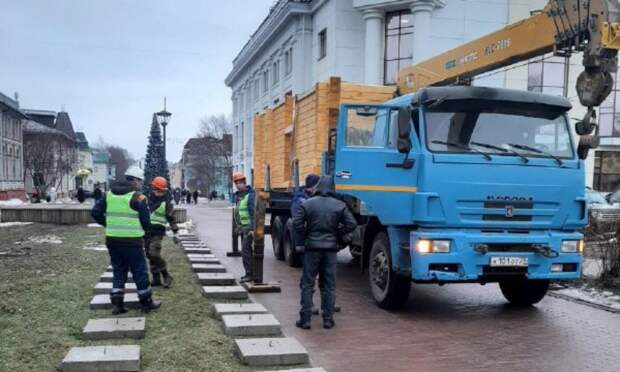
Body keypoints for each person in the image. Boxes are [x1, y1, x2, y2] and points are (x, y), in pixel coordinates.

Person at [91, 165, 161, 314]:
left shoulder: (108, 195)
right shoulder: (138, 198)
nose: (141, 184)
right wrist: (147, 231)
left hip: (113, 241)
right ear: (135, 180)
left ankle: (117, 303)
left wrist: (108, 223)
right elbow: (146, 222)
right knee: (139, 271)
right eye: (140, 181)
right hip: (132, 242)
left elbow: (95, 212)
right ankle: (146, 302)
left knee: (119, 270)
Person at [292, 175, 357, 330]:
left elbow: (296, 223)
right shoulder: (339, 205)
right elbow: (352, 224)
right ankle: (328, 319)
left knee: (307, 283)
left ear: (319, 186)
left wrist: (307, 233)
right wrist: (338, 232)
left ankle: (305, 319)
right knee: (329, 285)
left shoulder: (308, 204)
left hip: (311, 249)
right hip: (330, 250)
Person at [145, 176, 179, 288]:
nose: (157, 192)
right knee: (150, 255)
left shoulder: (166, 204)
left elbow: (171, 218)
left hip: (157, 233)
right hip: (146, 232)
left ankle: (166, 275)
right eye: (155, 189)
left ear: (164, 191)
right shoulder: (147, 200)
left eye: (159, 190)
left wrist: (175, 233)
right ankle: (156, 279)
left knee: (154, 253)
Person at [232, 172, 255, 283]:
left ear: (244, 183)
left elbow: (253, 213)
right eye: (236, 183)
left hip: (248, 228)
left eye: (239, 183)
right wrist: (238, 226)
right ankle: (249, 273)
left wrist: (252, 229)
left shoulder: (250, 195)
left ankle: (250, 274)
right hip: (243, 227)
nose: (237, 185)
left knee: (246, 251)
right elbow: (239, 212)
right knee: (246, 251)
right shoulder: (239, 195)